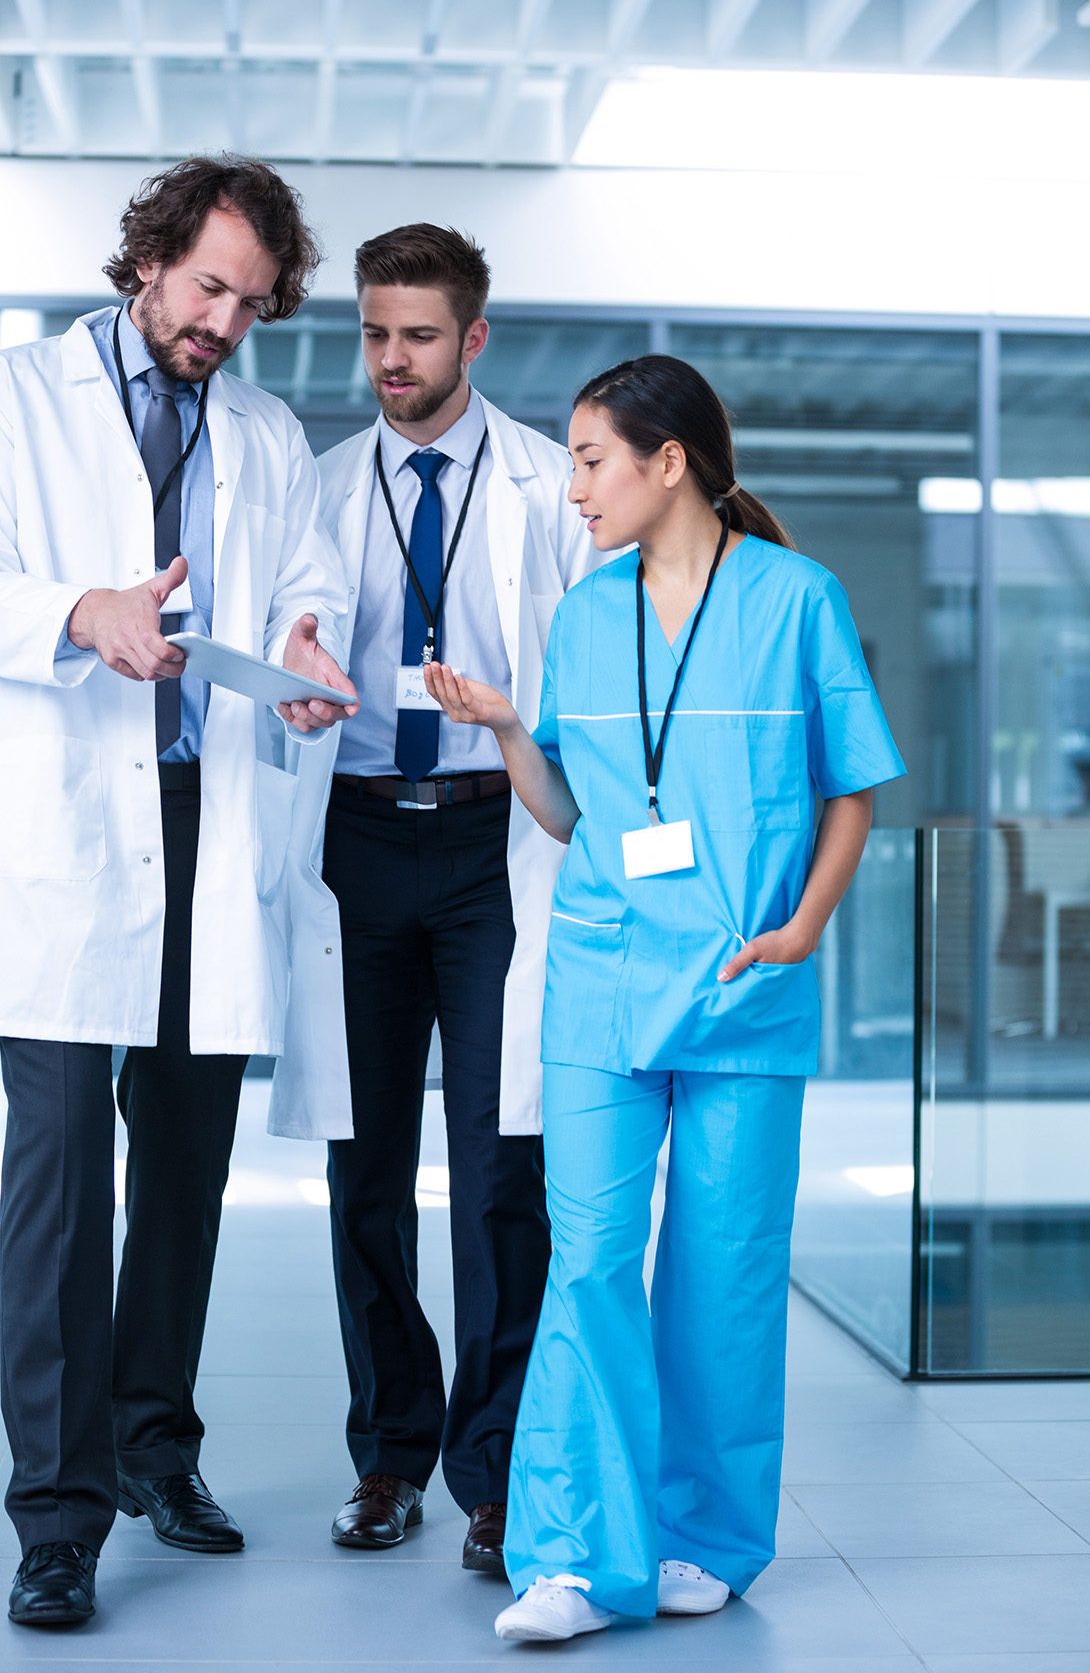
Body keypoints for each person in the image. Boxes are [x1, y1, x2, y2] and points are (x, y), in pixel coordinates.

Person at [422, 353, 906, 1642]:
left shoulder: (797, 598)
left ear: (667, 460)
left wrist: (806, 924)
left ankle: (706, 1536)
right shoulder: (586, 615)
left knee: (723, 1270)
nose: (572, 487)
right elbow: (575, 813)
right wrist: (510, 733)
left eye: (590, 460)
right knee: (585, 1263)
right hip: (602, 975)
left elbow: (851, 784)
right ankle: (576, 1558)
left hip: (744, 982)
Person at [0, 155, 355, 1629]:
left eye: (252, 305)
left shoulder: (265, 431)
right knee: (61, 1184)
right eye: (207, 287)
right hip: (72, 840)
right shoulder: (20, 399)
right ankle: (58, 1513)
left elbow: (300, 571)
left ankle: (158, 1448)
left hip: (212, 820)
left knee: (186, 1175)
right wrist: (79, 613)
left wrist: (310, 640)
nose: (222, 321)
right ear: (144, 259)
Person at [269, 224, 595, 1575]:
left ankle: (496, 1471)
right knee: (367, 1168)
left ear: (474, 339)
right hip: (354, 841)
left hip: (488, 842)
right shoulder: (326, 485)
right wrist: (292, 661)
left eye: (416, 335)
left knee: (501, 1166)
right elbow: (287, 631)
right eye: (372, 333)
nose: (390, 360)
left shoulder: (540, 485)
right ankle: (391, 1454)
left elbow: (581, 680)